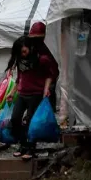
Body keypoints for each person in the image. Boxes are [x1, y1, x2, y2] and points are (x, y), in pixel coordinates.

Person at [7, 22, 60, 159]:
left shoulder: (42, 60)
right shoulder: (21, 61)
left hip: (36, 94)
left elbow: (50, 75)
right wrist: (12, 93)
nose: (23, 54)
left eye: (24, 51)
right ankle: (22, 144)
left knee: (30, 121)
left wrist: (46, 89)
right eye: (20, 52)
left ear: (29, 47)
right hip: (22, 94)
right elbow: (19, 78)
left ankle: (30, 148)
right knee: (15, 119)